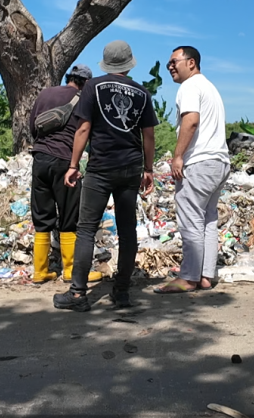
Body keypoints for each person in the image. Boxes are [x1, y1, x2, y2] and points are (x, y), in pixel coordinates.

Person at [53, 40, 158, 312]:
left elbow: (83, 128)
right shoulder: (142, 92)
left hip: (101, 168)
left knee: (86, 228)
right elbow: (148, 135)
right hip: (130, 168)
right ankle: (121, 293)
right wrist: (148, 169)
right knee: (127, 231)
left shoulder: (93, 87)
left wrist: (74, 164)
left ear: (106, 63)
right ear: (129, 62)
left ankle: (78, 295)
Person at [154, 46, 230, 293]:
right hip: (219, 162)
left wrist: (178, 156)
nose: (170, 67)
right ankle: (206, 275)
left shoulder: (189, 86)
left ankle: (188, 277)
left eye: (174, 61)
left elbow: (191, 120)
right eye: (168, 64)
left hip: (199, 162)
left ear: (191, 62)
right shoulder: (210, 87)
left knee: (191, 217)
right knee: (208, 219)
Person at [28, 64, 102, 284]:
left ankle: (40, 272)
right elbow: (86, 131)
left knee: (42, 216)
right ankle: (69, 269)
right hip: (65, 162)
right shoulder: (84, 99)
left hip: (39, 160)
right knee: (69, 216)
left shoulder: (45, 93)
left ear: (70, 77)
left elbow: (33, 127)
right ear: (86, 82)